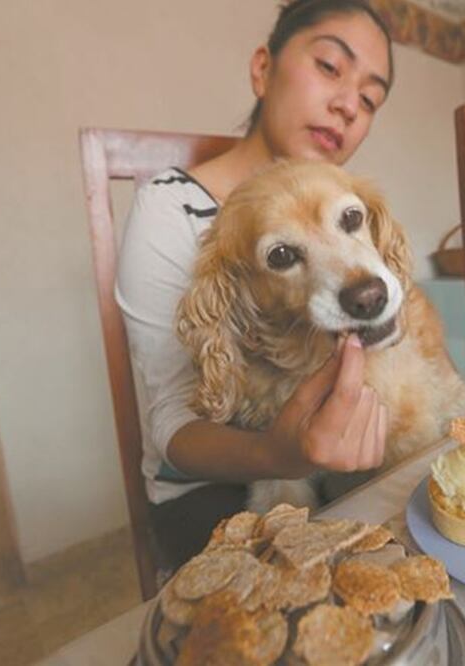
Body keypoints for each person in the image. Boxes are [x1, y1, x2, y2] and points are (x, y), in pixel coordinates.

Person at [115, 0, 396, 573]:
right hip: (215, 483)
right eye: (329, 67)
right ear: (263, 69)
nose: (347, 105)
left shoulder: (351, 207)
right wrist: (278, 456)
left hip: (337, 462)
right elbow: (171, 425)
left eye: (370, 99)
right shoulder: (170, 208)